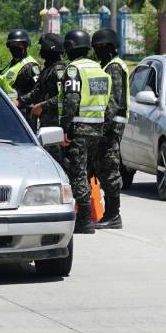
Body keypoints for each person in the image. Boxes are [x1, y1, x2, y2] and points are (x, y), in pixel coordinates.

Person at [59, 29, 109, 235]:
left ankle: (85, 220)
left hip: (79, 128)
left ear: (70, 48)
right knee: (87, 171)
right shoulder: (98, 69)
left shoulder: (74, 69)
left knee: (77, 172)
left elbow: (71, 99)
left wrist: (65, 127)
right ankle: (86, 215)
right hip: (97, 127)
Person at [92, 28, 128, 230]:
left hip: (111, 127)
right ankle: (109, 213)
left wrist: (102, 128)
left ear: (110, 47)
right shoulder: (106, 65)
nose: (97, 51)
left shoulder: (114, 67)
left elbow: (112, 102)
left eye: (100, 47)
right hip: (107, 126)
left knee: (110, 170)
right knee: (104, 169)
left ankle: (114, 215)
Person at [26, 33, 67, 148]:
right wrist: (19, 101)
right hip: (45, 123)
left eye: (42, 48)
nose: (41, 51)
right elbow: (37, 91)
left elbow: (62, 97)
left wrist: (42, 106)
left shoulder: (59, 69)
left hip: (55, 125)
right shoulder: (48, 69)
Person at [0, 29, 40, 123]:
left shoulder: (31, 66)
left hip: (23, 115)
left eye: (19, 45)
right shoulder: (10, 65)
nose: (15, 47)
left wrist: (20, 101)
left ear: (25, 46)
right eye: (13, 45)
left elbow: (39, 90)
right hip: (8, 110)